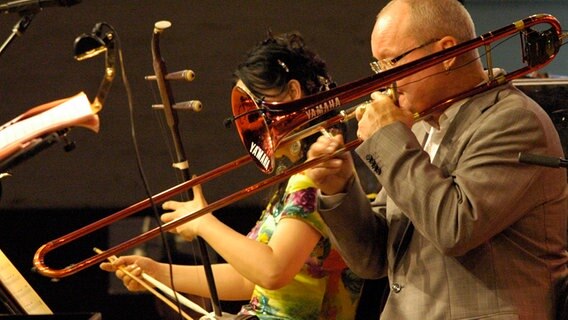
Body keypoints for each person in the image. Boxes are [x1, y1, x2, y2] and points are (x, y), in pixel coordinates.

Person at [305, 0, 568, 319]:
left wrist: (388, 136)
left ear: (446, 53)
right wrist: (340, 188)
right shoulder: (416, 128)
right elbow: (374, 260)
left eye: (393, 63)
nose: (384, 82)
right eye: (379, 67)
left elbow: (455, 227)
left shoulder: (514, 121)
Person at [101, 31, 365, 320]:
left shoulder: (319, 176)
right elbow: (249, 279)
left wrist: (204, 222)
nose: (248, 119)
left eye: (253, 105)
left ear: (292, 93)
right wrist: (158, 272)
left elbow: (272, 271)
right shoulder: (293, 176)